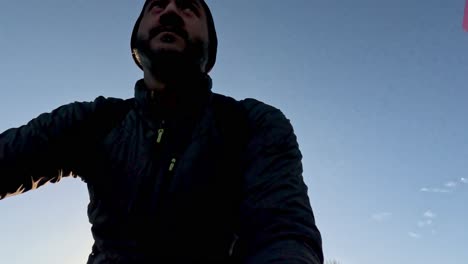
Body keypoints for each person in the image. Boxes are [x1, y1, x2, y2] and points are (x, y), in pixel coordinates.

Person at [0, 0, 324, 263]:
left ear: (210, 48)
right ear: (136, 44)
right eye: (156, 6)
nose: (169, 11)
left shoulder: (253, 123)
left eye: (188, 8)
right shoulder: (96, 120)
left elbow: (283, 233)